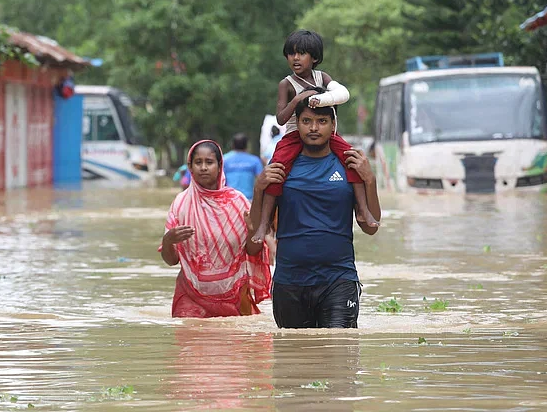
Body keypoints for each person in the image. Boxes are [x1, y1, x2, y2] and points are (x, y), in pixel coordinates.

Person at [250, 96, 381, 328]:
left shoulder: (348, 164)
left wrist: (369, 179)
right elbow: (258, 227)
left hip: (338, 279)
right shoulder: (282, 166)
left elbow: (371, 226)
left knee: (339, 352)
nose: (313, 128)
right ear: (296, 124)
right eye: (306, 121)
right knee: (295, 358)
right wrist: (259, 187)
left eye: (321, 121)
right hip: (290, 281)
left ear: (333, 125)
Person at [251, 29, 379, 244]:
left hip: (330, 136)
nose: (296, 58)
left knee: (352, 160)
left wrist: (322, 100)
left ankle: (364, 211)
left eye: (301, 53)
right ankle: (264, 222)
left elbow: (342, 94)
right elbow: (281, 119)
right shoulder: (287, 84)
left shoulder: (323, 77)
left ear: (315, 58)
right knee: (276, 169)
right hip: (293, 136)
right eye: (291, 54)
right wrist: (298, 99)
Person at [159, 140, 272, 318]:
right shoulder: (181, 204)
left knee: (234, 343)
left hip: (233, 295)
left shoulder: (237, 202)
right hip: (191, 295)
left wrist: (252, 231)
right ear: (190, 166)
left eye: (209, 162)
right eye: (198, 162)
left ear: (220, 166)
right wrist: (168, 240)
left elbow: (252, 250)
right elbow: (171, 260)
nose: (203, 168)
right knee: (191, 343)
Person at [223, 133, 264, 201]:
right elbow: (261, 180)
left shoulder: (224, 159)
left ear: (233, 145)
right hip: (249, 200)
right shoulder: (255, 160)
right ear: (246, 145)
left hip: (229, 199)